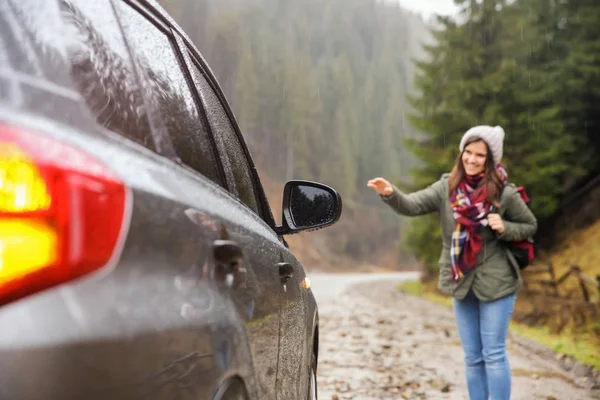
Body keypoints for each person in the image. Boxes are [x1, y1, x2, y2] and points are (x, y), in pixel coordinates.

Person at [367, 125, 537, 400]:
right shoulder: (446, 187)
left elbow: (530, 225)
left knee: (493, 354)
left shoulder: (504, 193)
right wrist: (390, 193)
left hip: (497, 280)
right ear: (461, 154)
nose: (471, 159)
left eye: (479, 155)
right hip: (460, 279)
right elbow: (411, 205)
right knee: (472, 357)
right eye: (467, 152)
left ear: (491, 159)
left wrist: (505, 227)